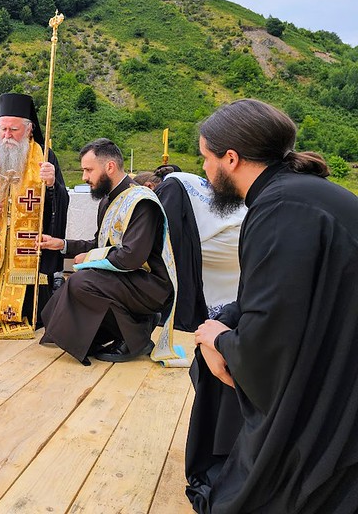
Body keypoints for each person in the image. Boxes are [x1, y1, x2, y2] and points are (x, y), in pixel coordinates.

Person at [189, 99, 358, 513]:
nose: (206, 173)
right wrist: (220, 327)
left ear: (231, 158)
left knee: (212, 356)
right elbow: (268, 298)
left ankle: (258, 467)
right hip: (341, 346)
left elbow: (268, 344)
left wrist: (219, 339)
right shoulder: (297, 193)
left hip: (334, 385)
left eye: (206, 160)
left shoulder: (278, 208)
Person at [37, 138, 178, 364]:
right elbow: (100, 244)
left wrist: (90, 259)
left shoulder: (141, 201)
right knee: (79, 280)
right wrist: (62, 244)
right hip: (128, 278)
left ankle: (137, 334)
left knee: (82, 282)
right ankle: (103, 334)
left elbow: (132, 257)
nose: (84, 177)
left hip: (150, 284)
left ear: (109, 167)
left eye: (89, 170)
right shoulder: (108, 201)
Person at [0, 93, 69, 339]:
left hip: (27, 252)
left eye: (14, 129)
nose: (7, 135)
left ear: (30, 130)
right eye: (3, 129)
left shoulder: (44, 157)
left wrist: (52, 184)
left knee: (31, 315)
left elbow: (60, 203)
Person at [135, 166, 245, 331]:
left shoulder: (168, 187)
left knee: (182, 256)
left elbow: (165, 233)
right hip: (239, 228)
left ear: (149, 187)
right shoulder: (182, 179)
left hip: (227, 235)